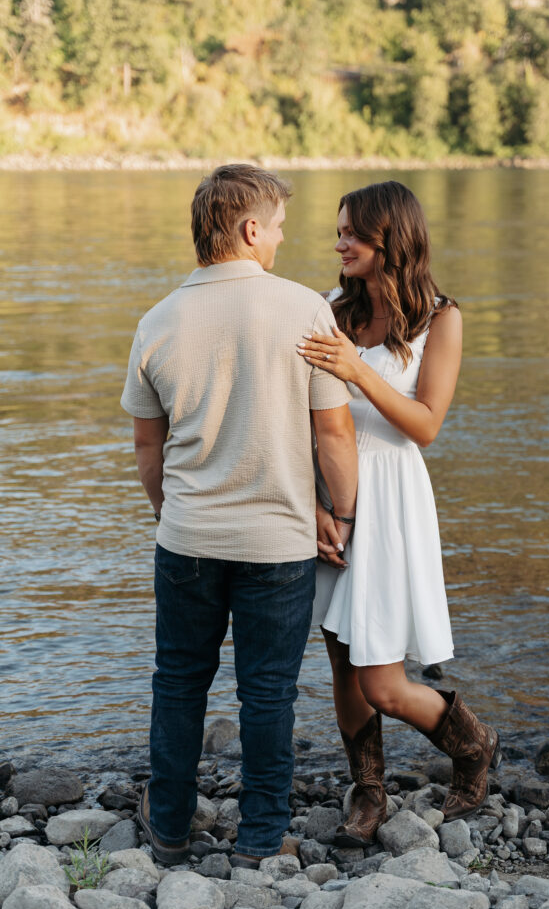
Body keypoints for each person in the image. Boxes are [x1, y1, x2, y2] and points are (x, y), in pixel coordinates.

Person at [121, 164, 357, 867]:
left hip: (187, 537)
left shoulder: (157, 320)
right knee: (266, 694)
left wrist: (175, 515)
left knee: (178, 683)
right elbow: (334, 435)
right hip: (278, 542)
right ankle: (258, 839)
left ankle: (167, 829)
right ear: (251, 229)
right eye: (279, 226)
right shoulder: (302, 310)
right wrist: (336, 514)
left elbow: (146, 447)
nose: (282, 238)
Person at [296, 180, 500, 848]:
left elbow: (425, 424)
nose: (339, 242)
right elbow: (301, 415)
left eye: (353, 232)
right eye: (339, 230)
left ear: (393, 239)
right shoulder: (325, 309)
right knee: (340, 659)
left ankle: (470, 743)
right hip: (329, 497)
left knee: (381, 679)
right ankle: (369, 789)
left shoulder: (441, 318)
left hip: (390, 499)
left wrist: (359, 372)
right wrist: (314, 504)